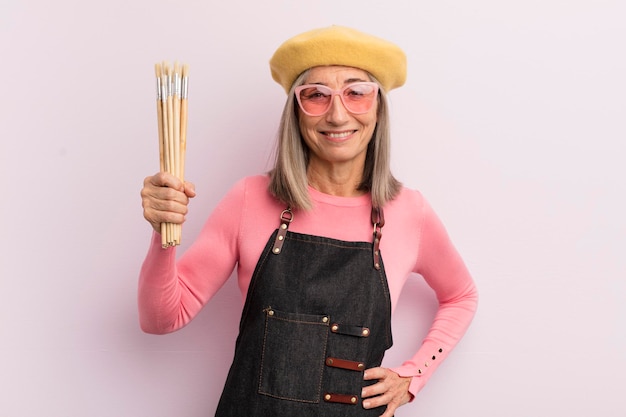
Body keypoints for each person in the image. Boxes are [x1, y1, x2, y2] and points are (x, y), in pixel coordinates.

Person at [139, 25, 478, 417]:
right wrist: (163, 234)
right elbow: (161, 319)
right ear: (296, 112)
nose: (337, 114)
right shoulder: (249, 199)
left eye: (356, 93)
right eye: (316, 95)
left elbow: (462, 296)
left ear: (378, 108)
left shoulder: (409, 212)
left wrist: (413, 376)